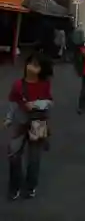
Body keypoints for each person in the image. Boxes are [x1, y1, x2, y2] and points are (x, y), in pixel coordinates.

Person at [4, 53, 53, 201]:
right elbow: (12, 103)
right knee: (13, 155)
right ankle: (15, 186)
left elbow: (49, 102)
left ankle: (31, 185)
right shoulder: (18, 84)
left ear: (42, 70)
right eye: (30, 63)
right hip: (19, 122)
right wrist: (8, 119)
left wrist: (36, 104)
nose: (31, 67)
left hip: (38, 123)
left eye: (36, 65)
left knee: (34, 159)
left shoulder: (45, 84)